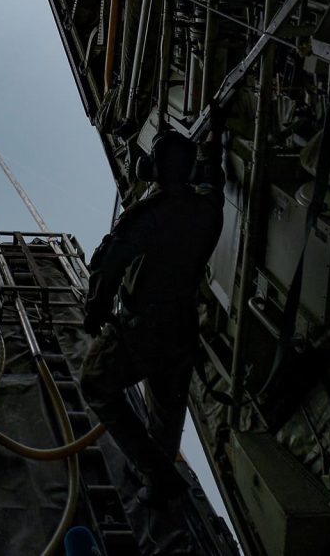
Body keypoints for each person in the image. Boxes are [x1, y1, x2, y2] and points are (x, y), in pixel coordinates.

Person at [79, 127, 224, 506]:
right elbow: (213, 183)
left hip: (141, 331)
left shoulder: (150, 214)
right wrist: (213, 150)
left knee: (95, 383)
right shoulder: (208, 211)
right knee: (165, 416)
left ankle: (157, 474)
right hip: (181, 334)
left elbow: (111, 263)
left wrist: (96, 307)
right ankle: (160, 483)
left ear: (154, 169)